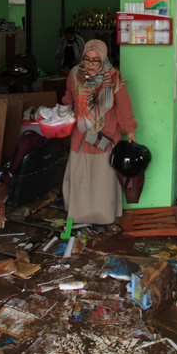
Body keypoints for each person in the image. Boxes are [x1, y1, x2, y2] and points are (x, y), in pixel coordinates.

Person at [61, 39, 137, 224]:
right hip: (81, 136)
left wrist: (130, 131)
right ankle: (79, 216)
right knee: (80, 178)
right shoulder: (74, 75)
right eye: (86, 59)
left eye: (95, 60)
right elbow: (69, 98)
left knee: (102, 180)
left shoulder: (114, 78)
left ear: (103, 60)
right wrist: (61, 113)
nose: (90, 64)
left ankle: (104, 218)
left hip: (106, 137)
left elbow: (124, 108)